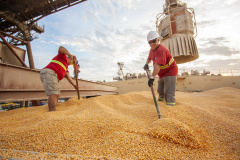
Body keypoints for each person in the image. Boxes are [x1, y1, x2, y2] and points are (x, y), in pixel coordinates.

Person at [143, 31, 178, 106]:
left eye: (154, 41)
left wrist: (152, 78)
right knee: (160, 89)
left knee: (168, 91)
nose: (152, 44)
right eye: (150, 42)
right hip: (161, 73)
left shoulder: (161, 50)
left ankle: (170, 106)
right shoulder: (151, 50)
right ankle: (161, 102)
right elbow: (149, 58)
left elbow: (157, 65)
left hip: (170, 71)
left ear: (158, 40)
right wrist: (146, 63)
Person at [40, 46, 79, 111]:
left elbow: (69, 78)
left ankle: (53, 109)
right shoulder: (62, 56)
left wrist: (75, 86)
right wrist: (69, 54)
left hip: (53, 76)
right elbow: (61, 48)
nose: (70, 64)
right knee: (53, 93)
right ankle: (52, 112)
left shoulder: (65, 67)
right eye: (72, 62)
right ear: (70, 59)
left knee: (57, 94)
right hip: (50, 73)